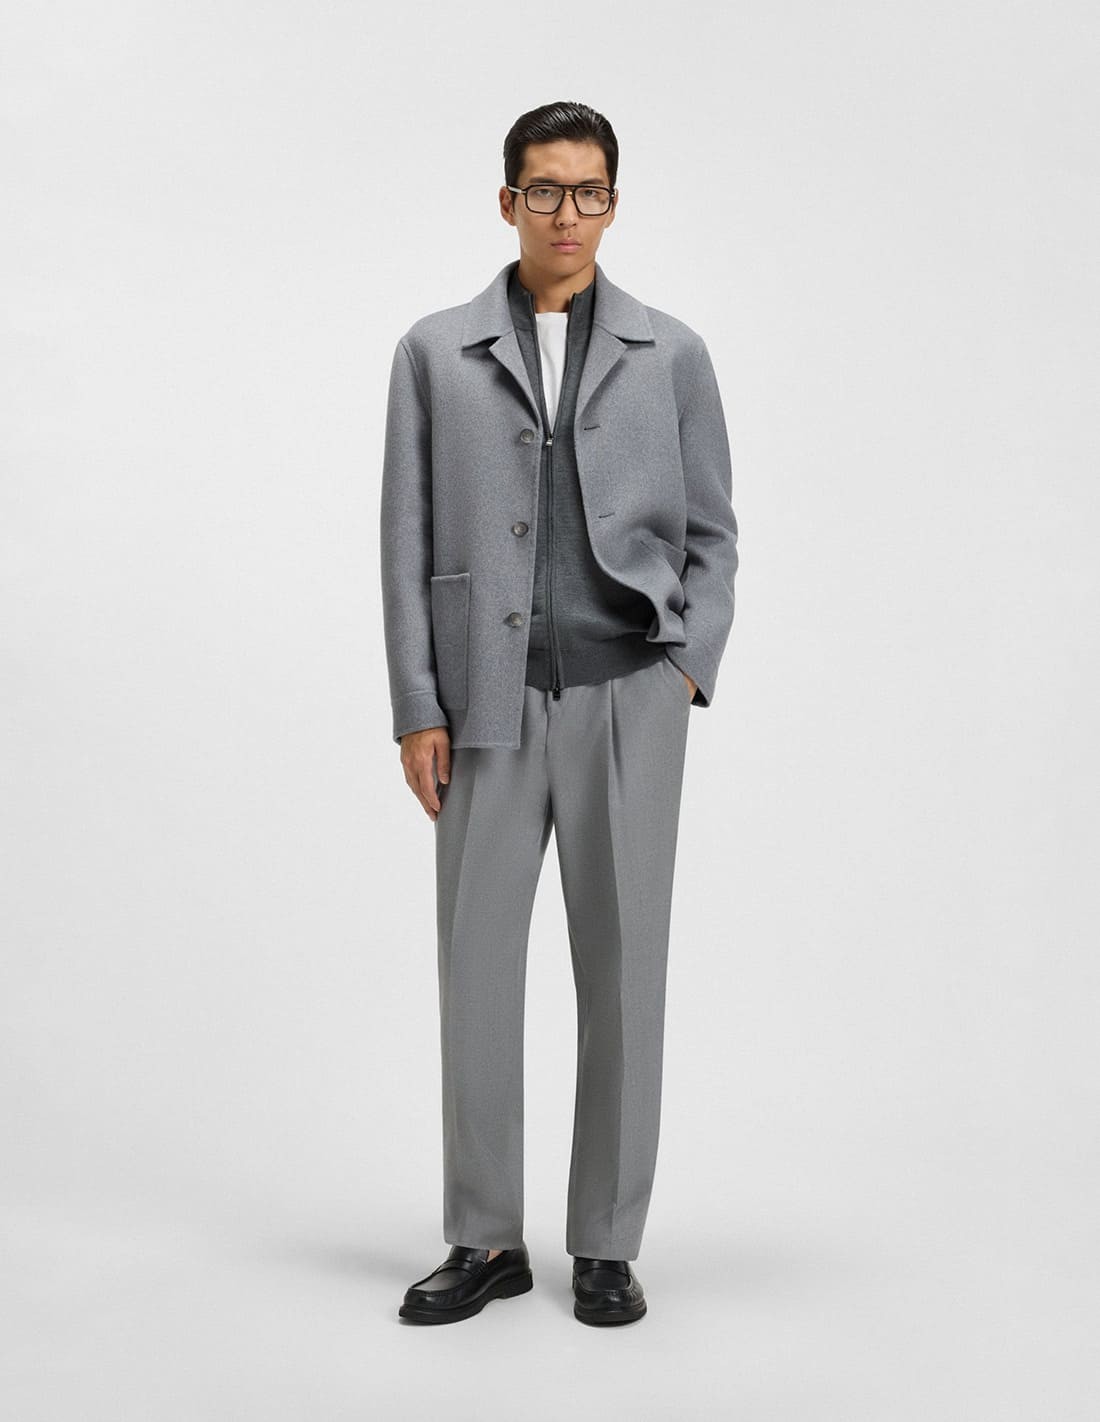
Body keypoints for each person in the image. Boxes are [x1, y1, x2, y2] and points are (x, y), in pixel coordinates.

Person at [380, 100, 739, 1326]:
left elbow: (712, 536)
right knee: (474, 972)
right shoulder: (434, 353)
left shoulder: (670, 353)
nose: (566, 214)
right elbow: (402, 544)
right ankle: (485, 1237)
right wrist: (415, 706)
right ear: (507, 202)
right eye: (543, 190)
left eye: (588, 192)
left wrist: (683, 668)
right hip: (480, 707)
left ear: (612, 203)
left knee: (624, 975)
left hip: (629, 697)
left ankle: (605, 1243)